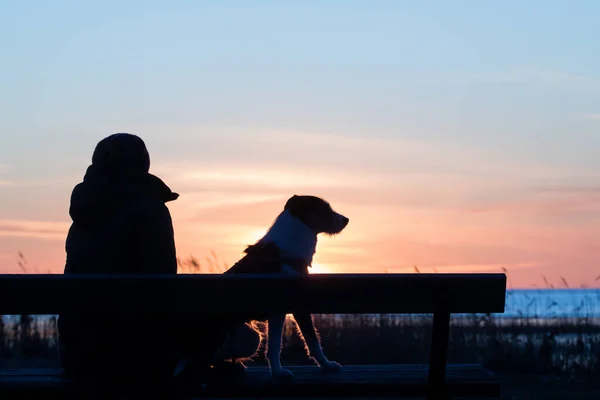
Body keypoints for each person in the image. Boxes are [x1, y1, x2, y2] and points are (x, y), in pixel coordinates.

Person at [58, 133, 180, 380]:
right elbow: (164, 279)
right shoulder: (152, 210)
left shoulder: (84, 211)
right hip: (142, 354)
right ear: (144, 163)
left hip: (80, 355)